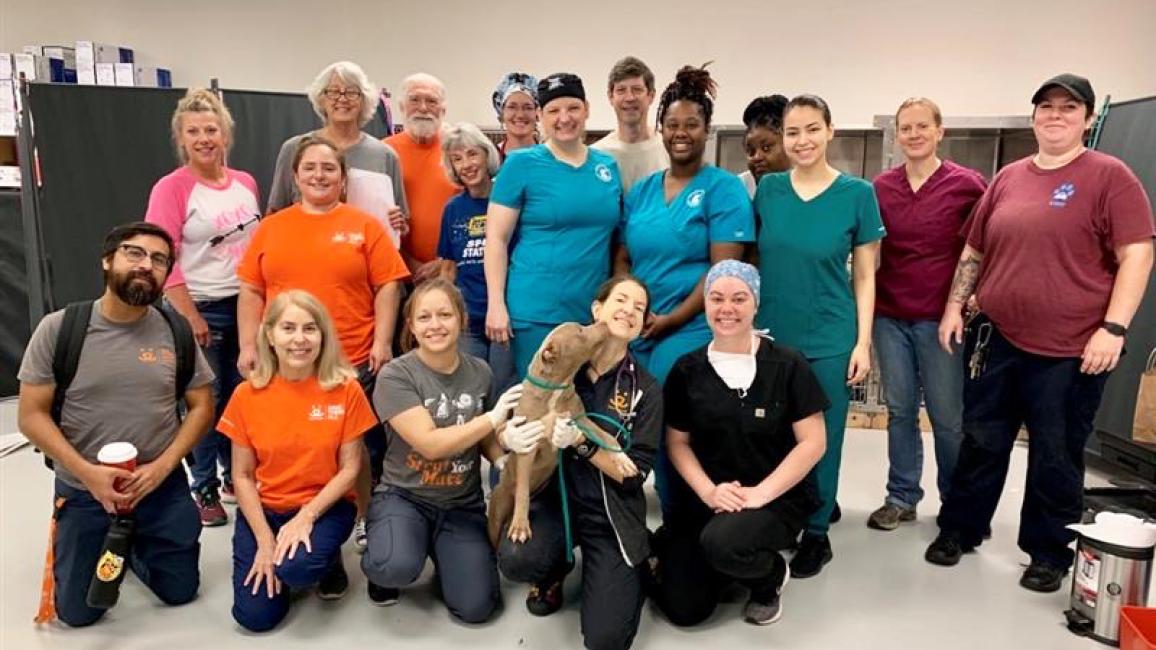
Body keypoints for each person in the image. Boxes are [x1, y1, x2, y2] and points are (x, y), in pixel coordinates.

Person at [926, 74, 1155, 593]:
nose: (1055, 116)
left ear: (1088, 119)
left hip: (1071, 348)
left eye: (1068, 108)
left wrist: (1113, 328)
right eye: (1046, 107)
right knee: (981, 441)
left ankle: (1049, 551)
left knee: (1056, 451)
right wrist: (955, 306)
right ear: (1033, 116)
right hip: (997, 338)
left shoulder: (1110, 176)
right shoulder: (1009, 177)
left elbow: (1137, 254)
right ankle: (961, 529)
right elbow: (975, 249)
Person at [18, 222, 215, 627]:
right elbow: (30, 415)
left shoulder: (175, 331)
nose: (147, 265)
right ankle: (109, 540)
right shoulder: (60, 329)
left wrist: (163, 468)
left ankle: (136, 545)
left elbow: (201, 406)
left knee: (179, 591)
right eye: (134, 253)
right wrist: (86, 473)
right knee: (78, 613)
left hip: (158, 485)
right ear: (108, 261)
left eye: (159, 260)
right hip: (86, 488)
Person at [237, 136, 410, 550]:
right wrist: (248, 345)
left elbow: (388, 285)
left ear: (343, 178)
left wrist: (383, 341)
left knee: (361, 449)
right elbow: (250, 290)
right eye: (310, 168)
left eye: (329, 168)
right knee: (302, 447)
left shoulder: (364, 226)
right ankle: (302, 519)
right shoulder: (272, 228)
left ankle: (366, 516)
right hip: (285, 359)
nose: (319, 175)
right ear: (295, 176)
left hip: (352, 357)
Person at [651, 260, 827, 627]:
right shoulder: (687, 370)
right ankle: (721, 565)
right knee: (685, 610)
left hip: (773, 499)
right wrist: (709, 492)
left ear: (756, 303)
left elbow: (813, 443)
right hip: (710, 498)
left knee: (723, 543)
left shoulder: (787, 364)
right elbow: (677, 443)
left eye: (739, 298)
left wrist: (759, 494)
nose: (726, 308)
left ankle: (768, 577)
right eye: (715, 298)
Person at [754, 94, 885, 578]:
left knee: (822, 438)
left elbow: (866, 276)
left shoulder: (856, 194)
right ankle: (779, 515)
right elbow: (753, 262)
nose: (802, 140)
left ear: (830, 131)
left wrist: (862, 342)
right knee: (772, 434)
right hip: (771, 334)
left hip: (831, 334)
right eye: (792, 132)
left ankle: (816, 531)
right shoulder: (769, 190)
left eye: (812, 129)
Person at [615, 65, 753, 518]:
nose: (681, 133)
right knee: (627, 424)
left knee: (677, 425)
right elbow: (623, 256)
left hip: (692, 328)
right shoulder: (643, 191)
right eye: (672, 124)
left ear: (707, 130)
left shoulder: (724, 189)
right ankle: (629, 520)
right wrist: (628, 307)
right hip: (639, 328)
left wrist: (671, 320)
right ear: (661, 128)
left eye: (691, 124)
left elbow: (723, 270)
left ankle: (689, 518)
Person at [498, 275, 661, 650]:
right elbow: (514, 424)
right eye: (621, 300)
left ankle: (638, 559)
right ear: (597, 310)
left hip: (610, 514)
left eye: (639, 308)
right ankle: (553, 569)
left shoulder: (647, 390)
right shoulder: (563, 359)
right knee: (518, 557)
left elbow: (633, 477)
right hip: (556, 502)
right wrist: (506, 436)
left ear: (641, 326)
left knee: (606, 640)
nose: (629, 311)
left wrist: (582, 443)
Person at [361, 279, 523, 623]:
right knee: (395, 565)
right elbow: (430, 444)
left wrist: (502, 455)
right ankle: (388, 559)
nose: (435, 325)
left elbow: (484, 436)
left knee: (477, 608)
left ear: (462, 319)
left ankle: (440, 549)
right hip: (405, 495)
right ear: (411, 326)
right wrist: (493, 419)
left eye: (445, 314)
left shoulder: (480, 371)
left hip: (461, 502)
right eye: (424, 317)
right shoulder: (396, 375)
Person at [220, 290, 376, 632]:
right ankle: (281, 555)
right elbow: (242, 476)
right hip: (266, 509)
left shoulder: (345, 389)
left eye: (310, 328)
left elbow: (351, 468)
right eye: (288, 328)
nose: (300, 339)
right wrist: (264, 538)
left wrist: (307, 516)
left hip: (325, 506)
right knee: (254, 618)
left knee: (296, 568)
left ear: (323, 336)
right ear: (270, 336)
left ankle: (323, 557)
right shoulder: (246, 395)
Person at [866, 97, 987, 532]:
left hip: (942, 320)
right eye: (906, 128)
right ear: (897, 135)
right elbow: (868, 252)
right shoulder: (880, 188)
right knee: (899, 410)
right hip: (890, 316)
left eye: (922, 126)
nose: (914, 135)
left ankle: (956, 501)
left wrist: (975, 296)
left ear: (940, 131)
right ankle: (901, 496)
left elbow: (988, 242)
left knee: (947, 415)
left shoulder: (967, 185)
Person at [146, 87, 261, 526]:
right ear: (181, 138)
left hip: (245, 305)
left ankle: (235, 476)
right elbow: (161, 256)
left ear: (225, 135)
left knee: (240, 396)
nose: (204, 138)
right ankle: (204, 486)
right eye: (193, 132)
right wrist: (190, 316)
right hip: (199, 307)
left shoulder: (246, 182)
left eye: (211, 129)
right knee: (204, 401)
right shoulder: (172, 188)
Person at [485, 72, 623, 377]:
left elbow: (616, 240)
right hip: (536, 310)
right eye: (553, 111)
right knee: (539, 407)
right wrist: (496, 304)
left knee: (584, 409)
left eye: (572, 108)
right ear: (539, 115)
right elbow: (495, 238)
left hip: (592, 313)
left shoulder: (607, 167)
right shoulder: (521, 164)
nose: (564, 118)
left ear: (586, 108)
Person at [268, 61, 408, 247]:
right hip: (304, 256)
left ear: (364, 101)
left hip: (366, 262)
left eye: (352, 92)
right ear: (321, 99)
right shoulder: (294, 148)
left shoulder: (385, 155)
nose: (342, 98)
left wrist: (400, 225)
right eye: (333, 92)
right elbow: (274, 214)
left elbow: (402, 225)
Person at [437, 122, 517, 395]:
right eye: (457, 159)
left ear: (487, 155)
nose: (466, 164)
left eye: (472, 154)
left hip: (508, 315)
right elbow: (448, 270)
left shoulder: (509, 199)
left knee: (500, 392)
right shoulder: (453, 209)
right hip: (469, 320)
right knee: (471, 392)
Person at [385, 73, 459, 282]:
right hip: (398, 273)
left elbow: (473, 211)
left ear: (443, 110)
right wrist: (407, 261)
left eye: (431, 101)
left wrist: (445, 260)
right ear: (401, 107)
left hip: (452, 271)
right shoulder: (385, 152)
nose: (423, 108)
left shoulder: (457, 149)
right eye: (415, 99)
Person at [591, 56, 670, 192]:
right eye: (621, 90)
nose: (629, 98)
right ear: (610, 96)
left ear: (651, 95)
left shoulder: (669, 149)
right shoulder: (595, 155)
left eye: (637, 89)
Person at [738, 95, 791, 199]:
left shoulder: (813, 189)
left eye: (766, 148)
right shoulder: (739, 189)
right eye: (751, 151)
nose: (756, 157)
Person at [492, 71, 539, 161]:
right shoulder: (491, 160)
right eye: (512, 107)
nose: (520, 115)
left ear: (537, 114)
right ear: (502, 114)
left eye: (528, 107)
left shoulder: (551, 159)